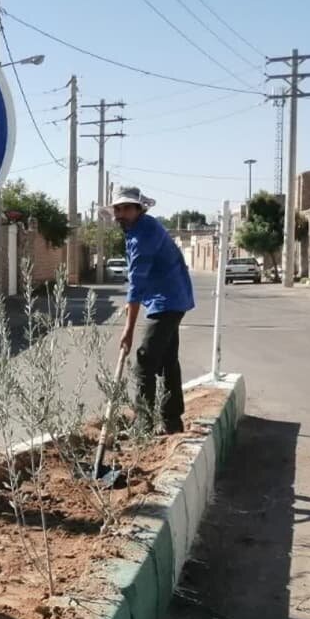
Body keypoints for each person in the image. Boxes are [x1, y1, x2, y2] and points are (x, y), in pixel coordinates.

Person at [112, 186, 195, 434]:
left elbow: (135, 286)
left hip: (167, 301)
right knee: (168, 360)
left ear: (139, 209)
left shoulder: (143, 237)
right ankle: (172, 422)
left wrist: (128, 330)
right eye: (118, 208)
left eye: (127, 208)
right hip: (171, 298)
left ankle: (143, 426)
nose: (121, 213)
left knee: (145, 361)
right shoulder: (138, 228)